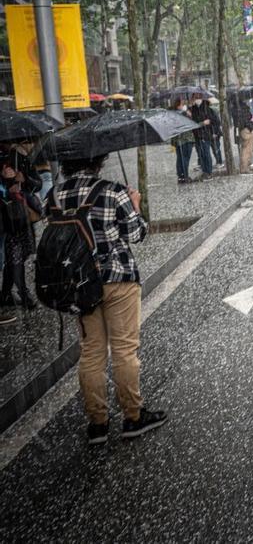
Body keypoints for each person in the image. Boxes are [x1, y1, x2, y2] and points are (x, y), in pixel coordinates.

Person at [53, 154, 166, 445]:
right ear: (97, 161)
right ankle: (133, 417)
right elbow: (136, 233)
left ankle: (98, 425)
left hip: (80, 283)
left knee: (91, 353)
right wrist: (136, 204)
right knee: (124, 349)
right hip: (117, 278)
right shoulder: (112, 191)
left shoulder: (56, 194)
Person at [0, 155, 40, 310]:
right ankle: (24, 294)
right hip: (6, 221)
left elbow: (38, 184)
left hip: (22, 217)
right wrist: (5, 186)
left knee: (19, 256)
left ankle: (5, 294)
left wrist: (24, 180)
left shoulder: (20, 159)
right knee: (14, 257)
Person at [231, 88, 253, 174]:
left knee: (246, 149)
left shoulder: (235, 107)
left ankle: (245, 166)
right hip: (246, 129)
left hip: (244, 128)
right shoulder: (242, 107)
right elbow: (246, 118)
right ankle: (244, 168)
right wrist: (249, 127)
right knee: (246, 150)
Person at [172, 97, 195, 183]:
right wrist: (188, 114)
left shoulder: (173, 114)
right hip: (186, 139)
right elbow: (191, 123)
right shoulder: (183, 114)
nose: (183, 105)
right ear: (178, 105)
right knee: (185, 158)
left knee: (180, 158)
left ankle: (181, 176)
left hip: (179, 140)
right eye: (182, 104)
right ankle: (185, 176)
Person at [205, 97, 224, 167]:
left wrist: (215, 133)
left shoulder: (210, 111)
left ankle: (219, 162)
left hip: (214, 133)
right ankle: (218, 161)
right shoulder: (208, 111)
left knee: (216, 148)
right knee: (215, 148)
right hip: (211, 133)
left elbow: (217, 122)